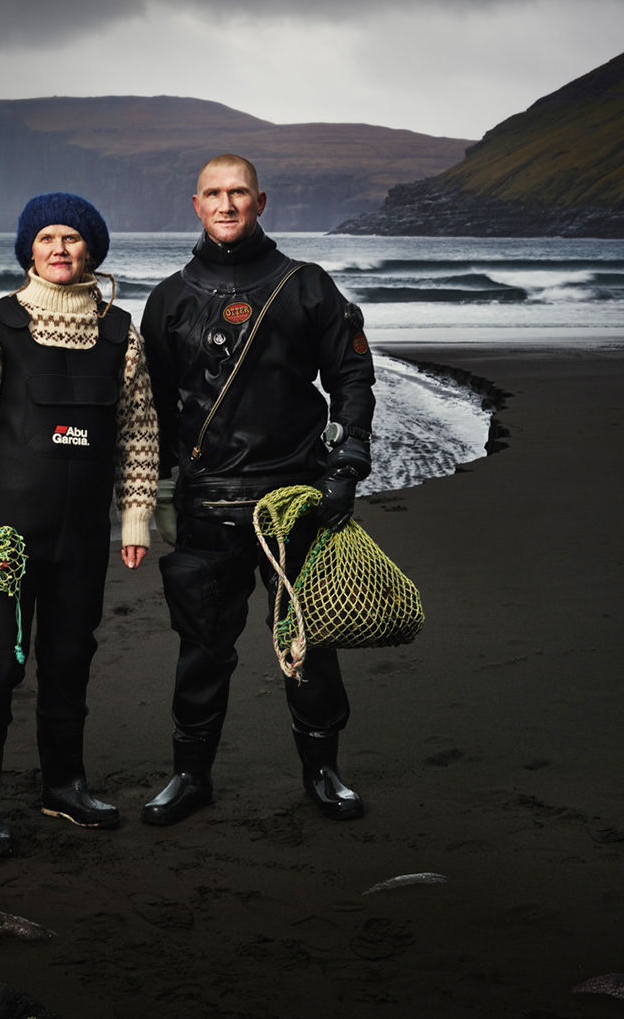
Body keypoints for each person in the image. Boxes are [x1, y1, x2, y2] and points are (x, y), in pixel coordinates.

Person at [138, 155, 376, 826]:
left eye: (238, 192)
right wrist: (151, 494)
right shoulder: (168, 299)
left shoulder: (307, 287)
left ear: (261, 200)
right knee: (202, 649)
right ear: (195, 204)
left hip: (295, 500)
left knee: (309, 643)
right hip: (205, 503)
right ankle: (189, 776)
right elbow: (150, 407)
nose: (226, 203)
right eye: (213, 193)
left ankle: (324, 771)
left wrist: (349, 457)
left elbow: (353, 378)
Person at [0, 192, 159, 855]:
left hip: (83, 536)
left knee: (69, 660)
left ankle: (64, 786)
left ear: (91, 249)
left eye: (71, 238)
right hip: (2, 538)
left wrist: (137, 516)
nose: (59, 249)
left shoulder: (121, 331)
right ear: (28, 250)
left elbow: (140, 430)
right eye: (46, 238)